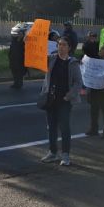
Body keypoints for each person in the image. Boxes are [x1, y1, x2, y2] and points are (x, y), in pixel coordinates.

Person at [39, 36, 82, 166]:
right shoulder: (51, 59)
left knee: (64, 128)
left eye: (64, 45)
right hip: (50, 99)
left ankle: (65, 155)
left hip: (64, 100)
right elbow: (36, 59)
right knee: (51, 127)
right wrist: (28, 42)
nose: (61, 47)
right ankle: (52, 153)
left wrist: (69, 96)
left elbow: (78, 82)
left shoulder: (73, 63)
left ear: (69, 48)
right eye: (59, 44)